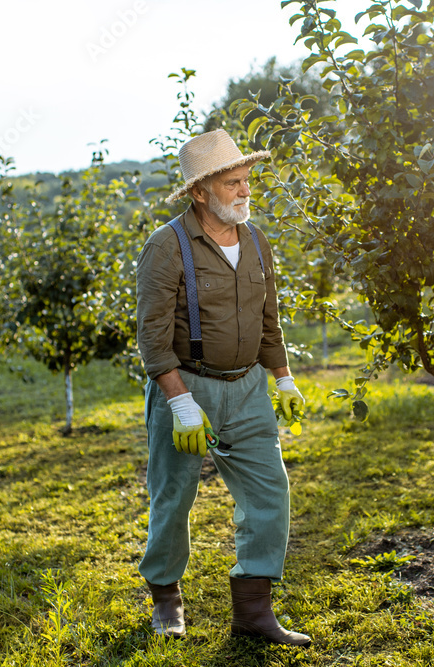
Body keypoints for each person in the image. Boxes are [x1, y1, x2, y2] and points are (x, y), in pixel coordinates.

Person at [135, 129, 310, 646]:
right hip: (187, 389)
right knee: (174, 495)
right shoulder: (167, 247)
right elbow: (151, 336)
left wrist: (283, 379)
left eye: (247, 180)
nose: (244, 191)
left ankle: (253, 613)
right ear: (199, 192)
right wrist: (180, 401)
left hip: (249, 388)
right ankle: (166, 597)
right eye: (232, 183)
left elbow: (268, 321)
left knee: (268, 491)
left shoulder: (256, 240)